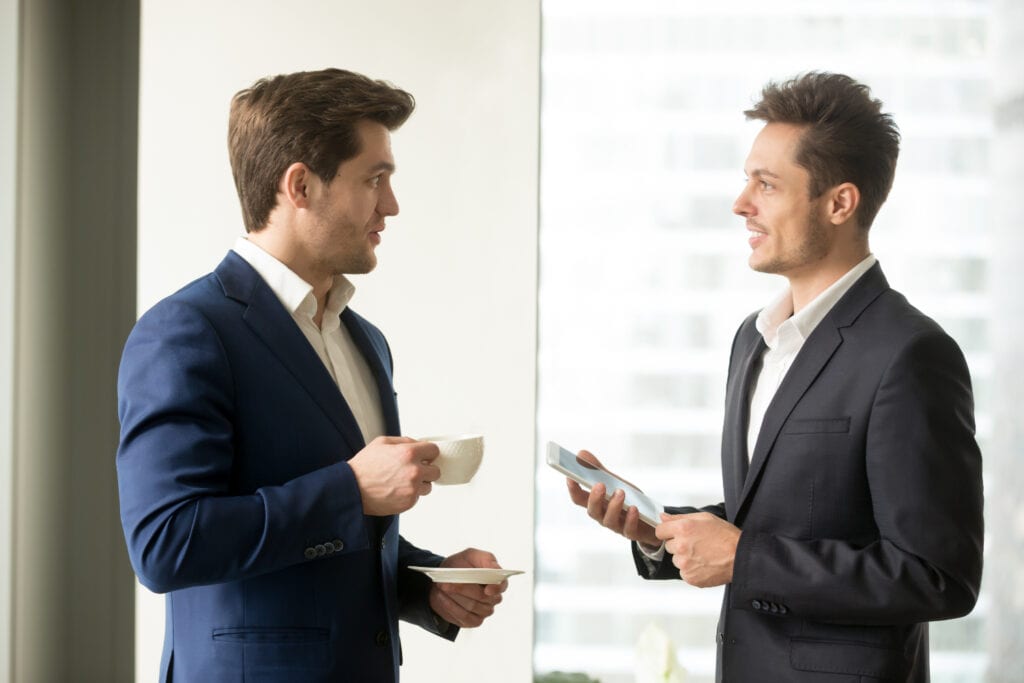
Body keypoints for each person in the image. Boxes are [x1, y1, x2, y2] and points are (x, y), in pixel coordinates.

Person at [566, 72, 983, 682]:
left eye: (767, 184)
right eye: (747, 180)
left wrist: (744, 559)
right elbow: (776, 516)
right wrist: (657, 527)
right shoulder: (752, 340)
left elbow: (938, 576)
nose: (741, 204)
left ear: (840, 202)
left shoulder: (912, 354)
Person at [116, 68, 507, 683]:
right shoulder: (188, 332)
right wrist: (349, 489)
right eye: (374, 179)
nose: (392, 205)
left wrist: (425, 585)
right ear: (300, 185)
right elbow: (167, 543)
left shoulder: (364, 340)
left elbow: (330, 544)